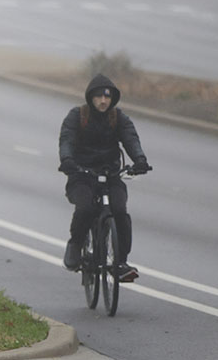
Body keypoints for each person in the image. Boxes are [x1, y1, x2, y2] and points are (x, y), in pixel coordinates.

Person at [58, 73, 151, 282]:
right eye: (99, 97)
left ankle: (121, 262)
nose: (103, 101)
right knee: (86, 208)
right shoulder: (77, 116)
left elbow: (130, 139)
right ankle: (75, 245)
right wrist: (67, 160)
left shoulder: (118, 118)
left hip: (111, 175)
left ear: (112, 99)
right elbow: (66, 140)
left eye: (107, 97)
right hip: (81, 175)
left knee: (119, 211)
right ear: (91, 98)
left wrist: (140, 160)